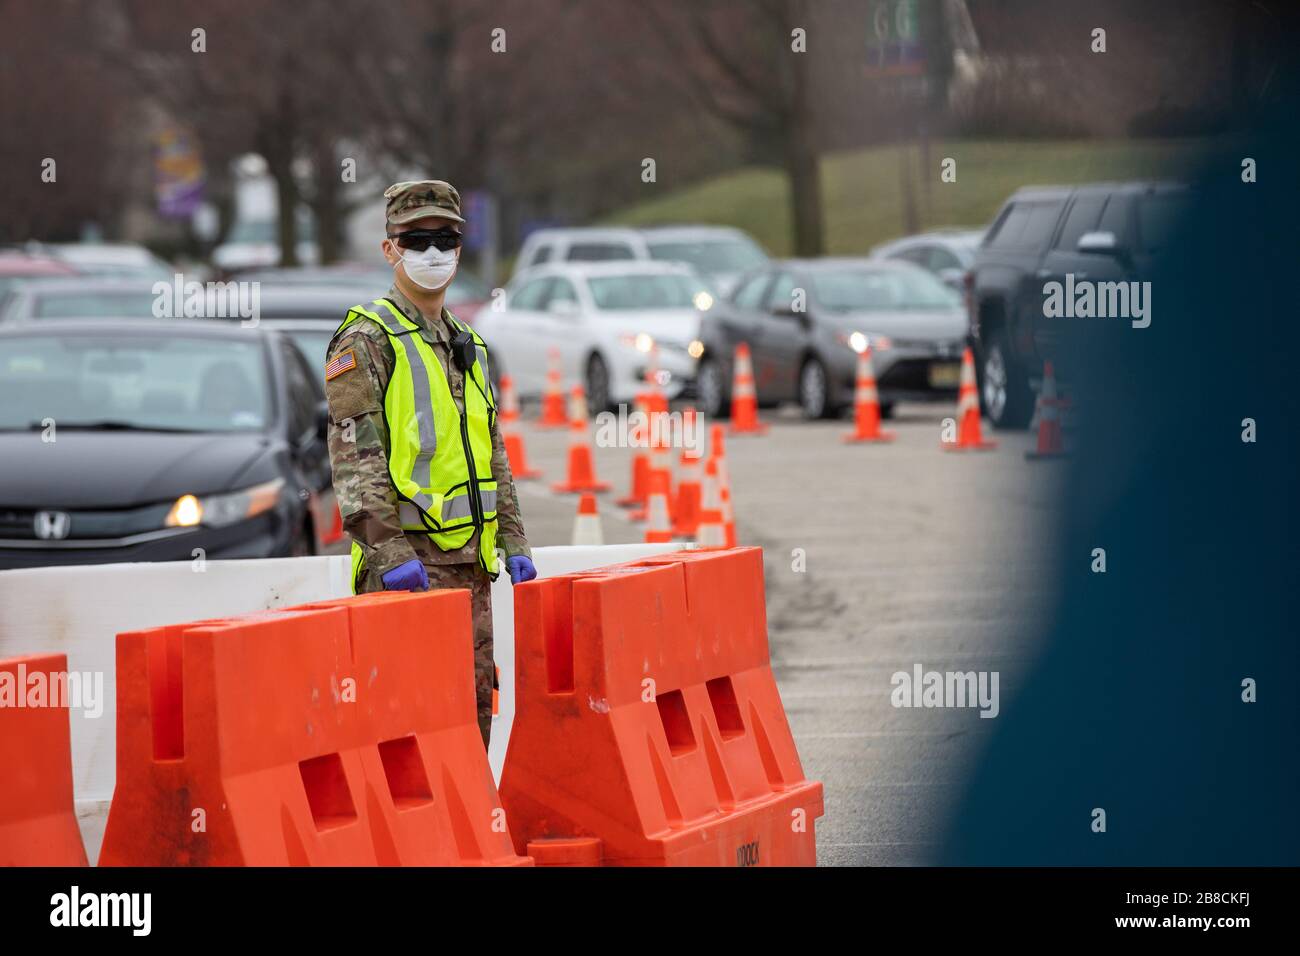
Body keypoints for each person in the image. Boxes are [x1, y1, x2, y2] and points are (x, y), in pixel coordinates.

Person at [323, 179, 535, 750]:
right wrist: (389, 553)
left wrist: (514, 540)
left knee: (470, 721)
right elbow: (353, 456)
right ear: (390, 249)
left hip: (471, 570)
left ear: (461, 247)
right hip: (407, 571)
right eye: (417, 241)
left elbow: (490, 451)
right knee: (404, 731)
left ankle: (467, 841)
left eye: (444, 238)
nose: (432, 252)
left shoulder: (469, 343)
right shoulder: (366, 339)